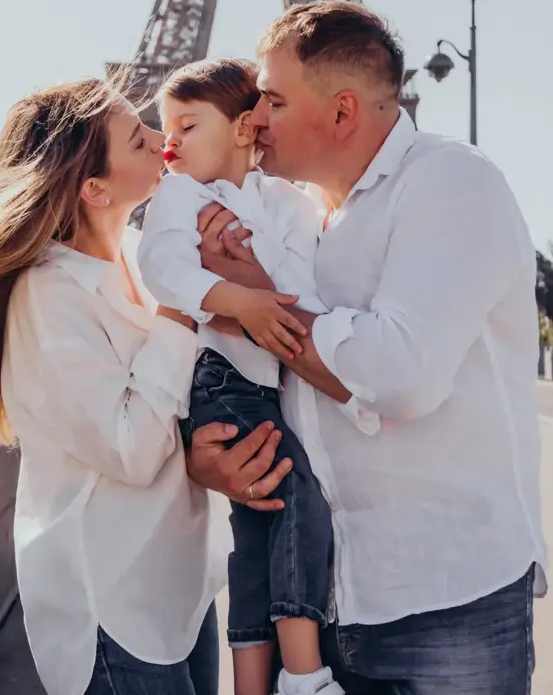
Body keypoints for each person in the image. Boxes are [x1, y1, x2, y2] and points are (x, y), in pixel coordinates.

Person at [187, 1, 547, 695]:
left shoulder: (451, 183)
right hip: (323, 597)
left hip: (444, 599)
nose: (255, 117)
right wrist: (215, 453)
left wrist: (259, 303)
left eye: (275, 100)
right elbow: (277, 375)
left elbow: (399, 373)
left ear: (343, 112)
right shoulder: (295, 215)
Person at [0, 78, 233, 695]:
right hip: (113, 605)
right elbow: (133, 450)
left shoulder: (150, 260)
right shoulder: (49, 294)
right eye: (139, 138)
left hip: (182, 583)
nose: (162, 139)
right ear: (95, 187)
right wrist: (180, 311)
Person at [139, 59, 376, 695]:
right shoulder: (180, 191)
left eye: (188, 125)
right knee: (298, 499)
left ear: (245, 129)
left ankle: (250, 685)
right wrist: (237, 295)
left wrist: (239, 266)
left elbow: (299, 293)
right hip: (220, 379)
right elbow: (162, 266)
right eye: (166, 127)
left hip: (267, 384)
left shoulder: (290, 203)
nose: (171, 142)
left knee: (258, 523)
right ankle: (302, 674)